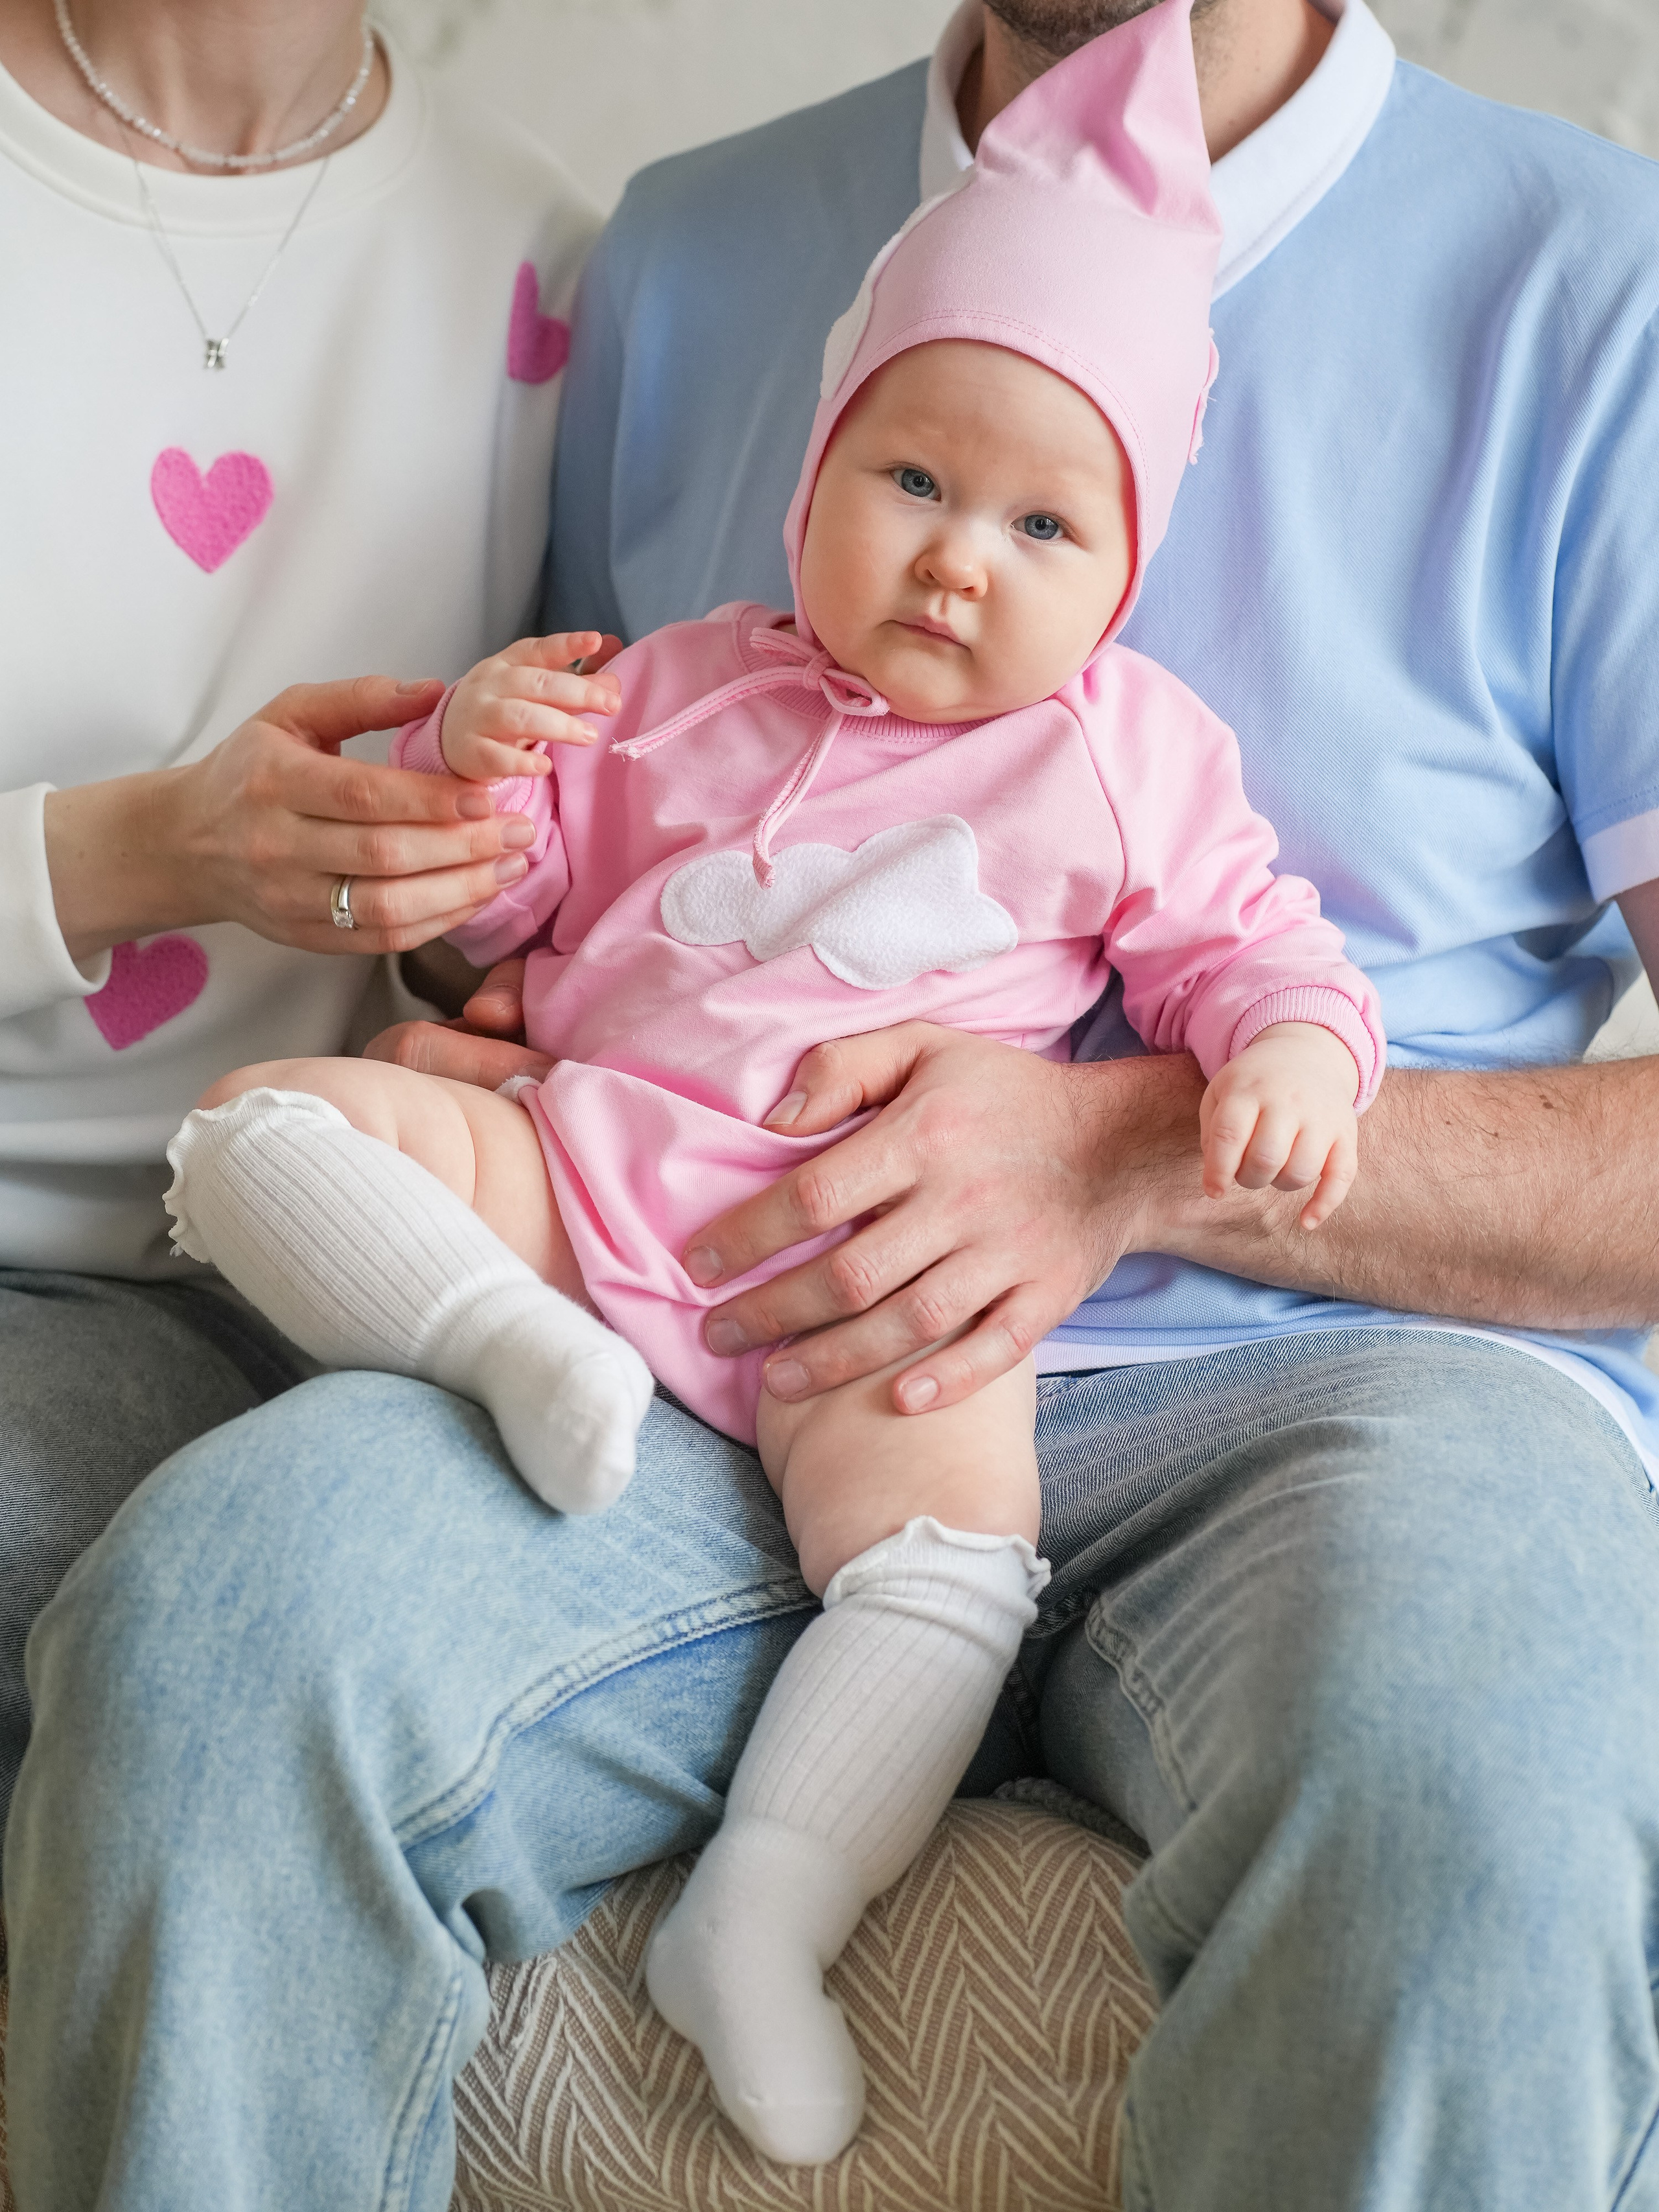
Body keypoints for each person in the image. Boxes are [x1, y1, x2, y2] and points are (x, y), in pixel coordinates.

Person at [10, 0, 1659, 2205]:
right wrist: (467, 995)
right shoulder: (681, 256)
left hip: (1342, 1382)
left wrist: (1129, 1151)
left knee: (1477, 1785)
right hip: (708, 1327)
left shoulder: (1600, 285)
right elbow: (596, 848)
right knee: (214, 1646)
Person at [0, 0, 599, 1838]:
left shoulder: (549, 265)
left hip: (298, 1278)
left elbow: (539, 862)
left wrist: (460, 937)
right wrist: (144, 853)